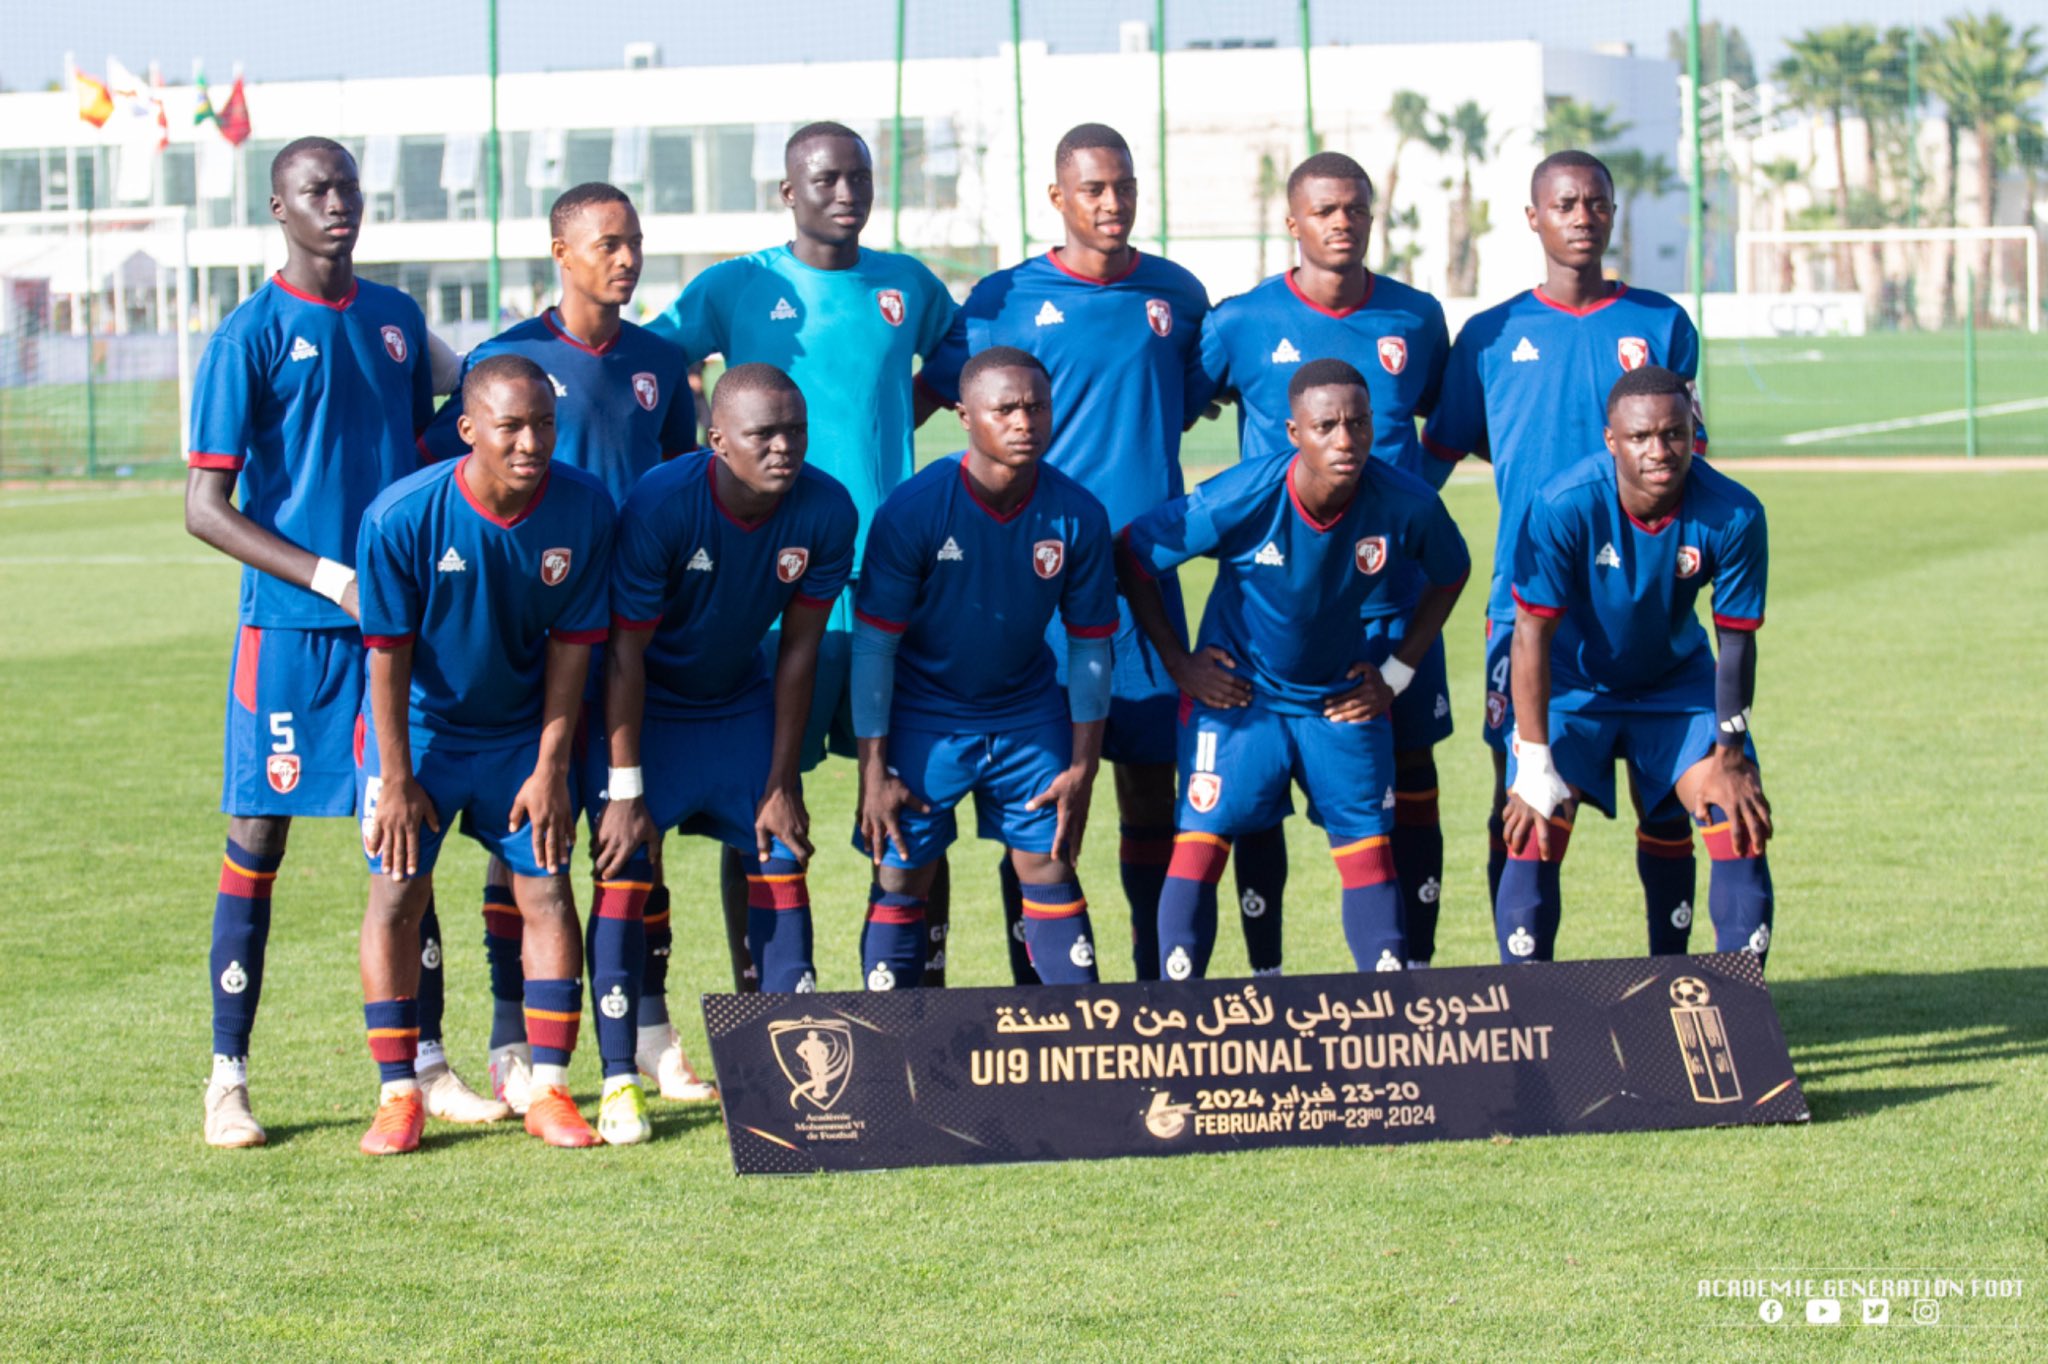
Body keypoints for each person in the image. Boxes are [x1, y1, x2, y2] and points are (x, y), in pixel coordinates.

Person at [183, 136, 456, 1148]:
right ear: (278, 207)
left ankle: (426, 1063)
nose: (336, 203)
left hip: (393, 631)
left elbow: (436, 432)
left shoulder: (395, 319)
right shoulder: (247, 335)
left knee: (404, 835)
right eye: (314, 190)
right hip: (292, 634)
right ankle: (228, 1075)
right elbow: (205, 506)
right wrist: (324, 572)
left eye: (347, 186)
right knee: (259, 841)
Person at [647, 122, 957, 987]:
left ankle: (905, 993)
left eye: (858, 177)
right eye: (825, 179)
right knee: (761, 797)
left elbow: (962, 370)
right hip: (769, 592)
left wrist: (898, 411)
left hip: (892, 587)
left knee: (905, 795)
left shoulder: (908, 285)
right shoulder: (738, 285)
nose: (846, 192)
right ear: (789, 192)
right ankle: (765, 999)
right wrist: (694, 457)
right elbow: (650, 364)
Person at [421, 183, 708, 1111]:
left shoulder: (662, 361)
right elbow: (447, 474)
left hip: (631, 639)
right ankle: (512, 1035)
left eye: (634, 243)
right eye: (606, 244)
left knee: (637, 834)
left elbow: (679, 480)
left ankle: (653, 1030)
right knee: (525, 845)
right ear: (561, 249)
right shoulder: (505, 360)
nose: (625, 260)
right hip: (532, 644)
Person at [921, 122, 1213, 983]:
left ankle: (1158, 982)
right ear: (1057, 198)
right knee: (1038, 801)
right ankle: (1040, 999)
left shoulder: (1177, 293)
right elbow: (940, 396)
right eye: (1092, 189)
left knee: (1151, 790)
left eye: (1123, 186)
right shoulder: (1003, 298)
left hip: (1145, 587)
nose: (1111, 203)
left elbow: (1184, 401)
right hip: (1036, 590)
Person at [1420, 149, 1708, 952]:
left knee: (1665, 800)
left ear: (1613, 215)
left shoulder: (1660, 324)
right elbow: (1430, 467)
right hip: (1528, 609)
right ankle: (1525, 992)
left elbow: (1693, 459)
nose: (1583, 216)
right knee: (1526, 798)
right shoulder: (1489, 336)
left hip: (1645, 602)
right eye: (1567, 203)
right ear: (1534, 218)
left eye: (1598, 203)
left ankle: (1667, 985)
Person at [353, 353, 625, 1152]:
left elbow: (574, 651)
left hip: (518, 737)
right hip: (421, 735)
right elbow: (386, 658)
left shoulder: (582, 508)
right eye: (510, 426)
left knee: (546, 889)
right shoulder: (402, 518)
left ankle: (548, 1089)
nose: (530, 441)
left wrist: (549, 770)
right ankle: (398, 1093)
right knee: (398, 897)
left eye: (543, 423)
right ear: (468, 429)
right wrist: (396, 780)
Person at [1118, 358, 1468, 978]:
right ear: (1293, 432)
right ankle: (1174, 1018)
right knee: (1199, 849)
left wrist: (1397, 674)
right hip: (1237, 699)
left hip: (1337, 699)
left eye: (1358, 424)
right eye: (1326, 425)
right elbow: (1136, 554)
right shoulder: (1243, 494)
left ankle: (1387, 1021)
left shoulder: (1404, 502)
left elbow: (1451, 571)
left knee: (1369, 853)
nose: (1345, 441)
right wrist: (1180, 663)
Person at [1196, 150, 1456, 973]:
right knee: (1258, 790)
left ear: (1372, 217)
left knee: (1410, 775)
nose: (1341, 222)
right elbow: (1186, 408)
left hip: (1391, 599)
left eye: (1355, 209)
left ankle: (1410, 976)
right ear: (1292, 222)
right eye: (1324, 210)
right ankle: (1267, 974)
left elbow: (1431, 444)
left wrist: (1393, 518)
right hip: (1285, 607)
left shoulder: (1416, 319)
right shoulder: (1239, 322)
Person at [850, 348, 1117, 989]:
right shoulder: (914, 511)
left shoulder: (1078, 513)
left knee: (1050, 865)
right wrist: (873, 772)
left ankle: (1079, 1056)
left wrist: (1082, 765)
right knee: (900, 871)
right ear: (965, 416)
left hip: (1027, 712)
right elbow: (874, 649)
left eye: (1036, 406)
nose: (1024, 421)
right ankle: (892, 1059)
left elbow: (1089, 651)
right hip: (925, 714)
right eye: (1005, 409)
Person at [594, 363, 856, 1005]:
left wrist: (783, 779)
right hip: (648, 705)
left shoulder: (826, 508)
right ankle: (626, 1068)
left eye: (796, 431)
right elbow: (625, 652)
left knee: (781, 845)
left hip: (737, 699)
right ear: (717, 440)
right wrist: (624, 788)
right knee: (624, 861)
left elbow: (799, 650)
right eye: (764, 434)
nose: (784, 448)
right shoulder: (661, 503)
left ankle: (786, 1038)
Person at [1500, 366, 1773, 965]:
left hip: (1677, 688)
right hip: (1574, 689)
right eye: (1641, 437)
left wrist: (1730, 754)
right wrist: (1533, 760)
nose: (1659, 451)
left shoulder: (1734, 513)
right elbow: (1530, 636)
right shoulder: (1563, 504)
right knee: (1532, 821)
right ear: (1611, 440)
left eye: (1673, 434)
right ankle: (1530, 1020)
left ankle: (1738, 1024)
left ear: (1691, 431)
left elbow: (1735, 645)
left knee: (1739, 817)